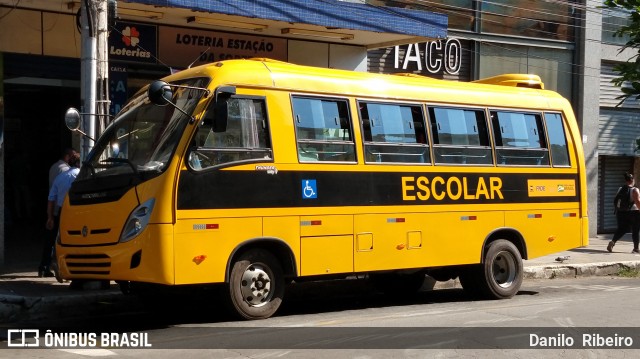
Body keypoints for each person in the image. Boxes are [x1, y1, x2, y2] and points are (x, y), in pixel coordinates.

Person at [38, 152, 81, 277]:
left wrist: (50, 217)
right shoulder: (80, 176)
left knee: (51, 239)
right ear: (79, 163)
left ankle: (44, 267)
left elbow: (51, 199)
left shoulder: (60, 177)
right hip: (77, 211)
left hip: (61, 211)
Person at [608, 173, 640, 254]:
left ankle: (613, 242)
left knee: (622, 229)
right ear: (632, 179)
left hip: (621, 212)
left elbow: (617, 201)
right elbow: (637, 202)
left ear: (626, 180)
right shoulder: (635, 190)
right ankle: (636, 249)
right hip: (634, 213)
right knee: (635, 230)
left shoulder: (620, 189)